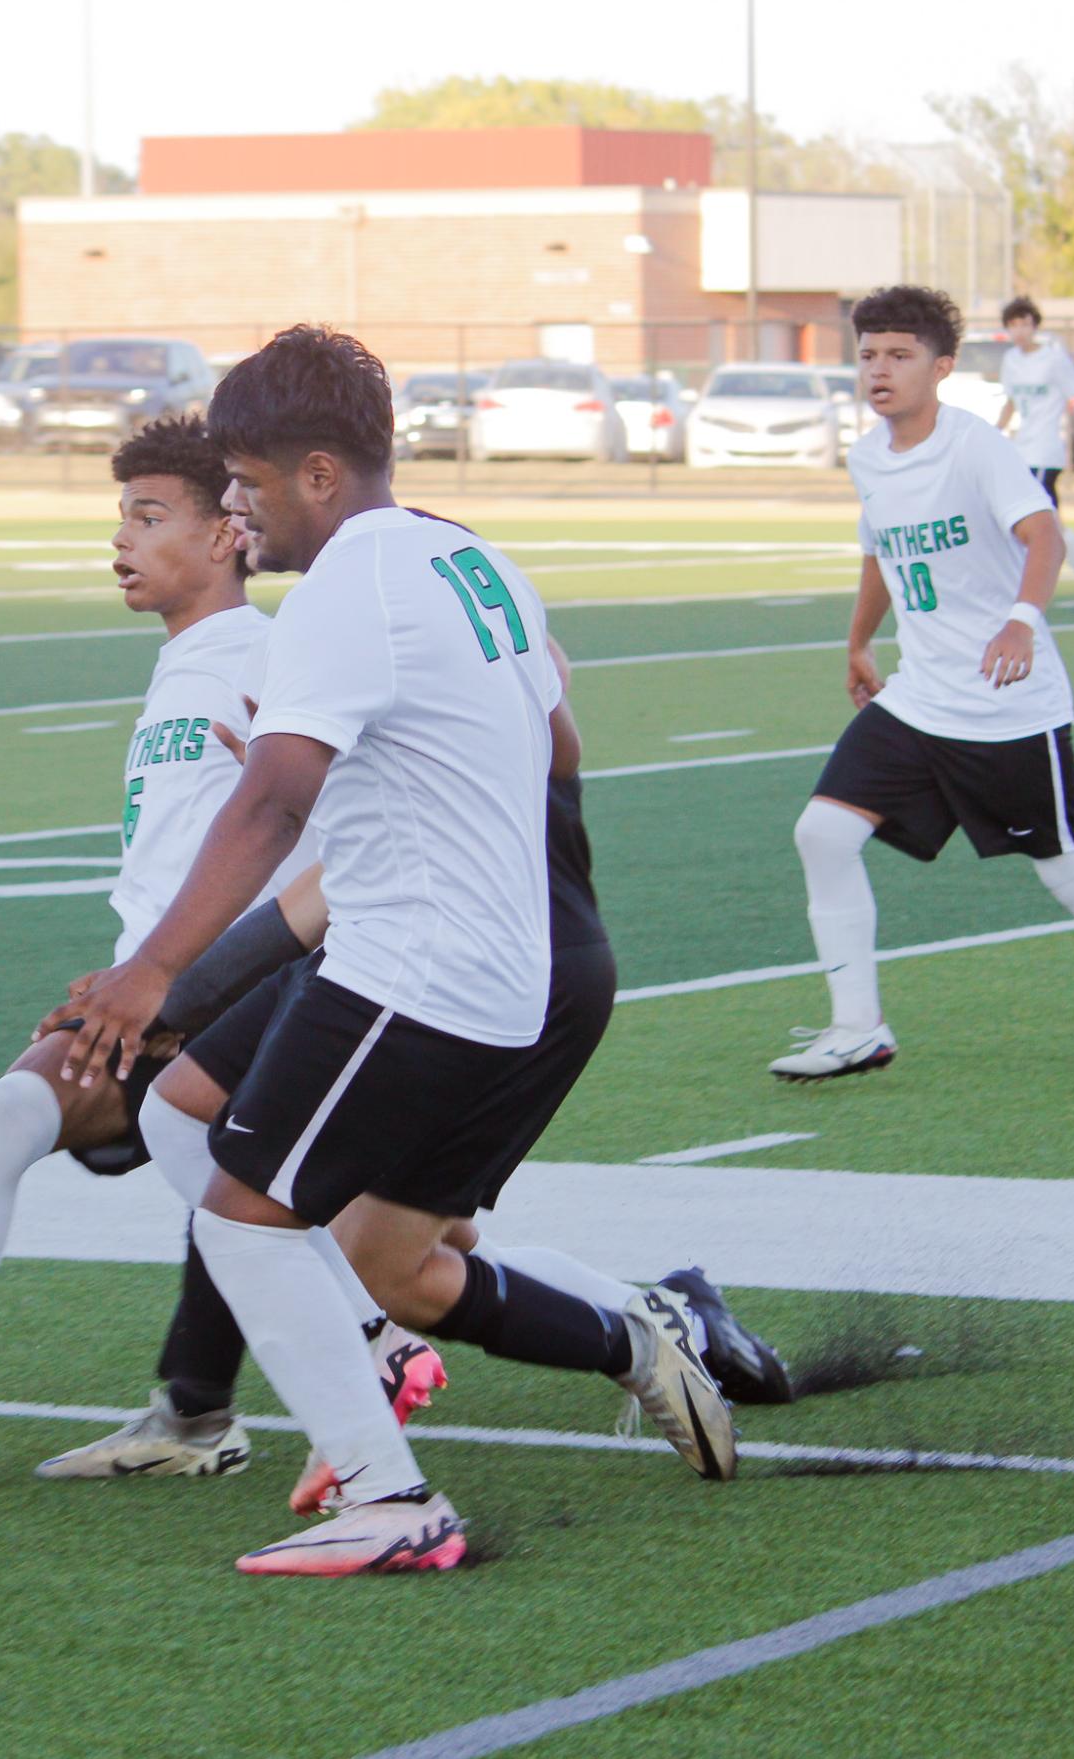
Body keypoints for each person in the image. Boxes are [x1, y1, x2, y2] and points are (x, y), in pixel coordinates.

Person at [41, 326, 734, 1578]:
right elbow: (561, 747)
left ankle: (390, 1489)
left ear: (317, 473)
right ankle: (436, 1381)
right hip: (476, 957)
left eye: (246, 483)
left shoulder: (346, 587)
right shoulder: (467, 554)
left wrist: (152, 972)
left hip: (418, 965)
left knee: (248, 1215)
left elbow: (271, 802)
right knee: (241, 1161)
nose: (237, 511)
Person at [39, 632, 792, 1508]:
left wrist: (168, 990)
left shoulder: (430, 702)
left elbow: (308, 881)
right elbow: (313, 894)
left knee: (378, 1261)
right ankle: (619, 1323)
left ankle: (516, 1368)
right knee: (196, 1116)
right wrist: (166, 999)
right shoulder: (411, 686)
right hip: (383, 968)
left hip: (478, 985)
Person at [0, 414, 314, 1503]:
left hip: (257, 1009)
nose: (121, 540)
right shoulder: (187, 665)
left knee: (407, 1259)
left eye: (148, 516)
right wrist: (130, 974)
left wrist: (189, 984)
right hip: (154, 1006)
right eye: (118, 517)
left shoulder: (274, 663)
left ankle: (636, 1328)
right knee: (5, 1113)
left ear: (229, 531)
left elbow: (303, 849)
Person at [772, 286, 1074, 1090]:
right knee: (822, 834)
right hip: (918, 696)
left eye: (899, 355)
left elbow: (1041, 533)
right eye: (867, 354)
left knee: (1065, 866)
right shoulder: (867, 456)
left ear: (940, 368)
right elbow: (880, 556)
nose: (878, 369)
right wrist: (858, 639)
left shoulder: (976, 447)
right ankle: (856, 1027)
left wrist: (1020, 620)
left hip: (1006, 703)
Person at [997, 296, 1074, 613]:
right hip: (1021, 452)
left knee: (1038, 524)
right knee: (1039, 524)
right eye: (1013, 325)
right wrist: (995, 435)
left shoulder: (1052, 359)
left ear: (1034, 326)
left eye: (1025, 323)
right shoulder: (1011, 361)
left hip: (1045, 453)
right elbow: (1011, 402)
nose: (1019, 331)